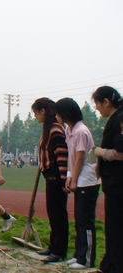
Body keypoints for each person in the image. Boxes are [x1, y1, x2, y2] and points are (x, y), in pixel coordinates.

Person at [56, 98, 100, 270]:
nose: (57, 116)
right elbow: (72, 157)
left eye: (58, 113)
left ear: (65, 114)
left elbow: (80, 158)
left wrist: (74, 179)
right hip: (78, 178)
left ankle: (87, 259)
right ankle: (79, 255)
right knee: (79, 219)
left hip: (87, 181)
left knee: (86, 221)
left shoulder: (81, 131)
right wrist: (69, 176)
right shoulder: (69, 129)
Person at [32, 97, 69, 263]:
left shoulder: (55, 129)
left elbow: (62, 155)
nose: (35, 117)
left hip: (56, 178)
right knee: (53, 214)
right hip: (50, 176)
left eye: (36, 113)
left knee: (58, 214)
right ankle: (54, 247)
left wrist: (62, 180)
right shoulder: (48, 129)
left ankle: (60, 251)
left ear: (43, 111)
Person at [91, 86, 123, 273]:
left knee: (117, 226)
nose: (96, 108)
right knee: (112, 226)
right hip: (113, 183)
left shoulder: (119, 118)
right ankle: (110, 263)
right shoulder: (115, 118)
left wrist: (100, 152)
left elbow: (120, 152)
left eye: (97, 103)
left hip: (119, 183)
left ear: (106, 102)